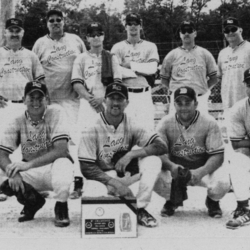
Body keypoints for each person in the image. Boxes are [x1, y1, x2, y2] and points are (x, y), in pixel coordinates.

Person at [78, 83, 167, 227]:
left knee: (153, 161)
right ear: (105, 100)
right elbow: (86, 167)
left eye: (120, 99)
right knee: (93, 198)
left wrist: (132, 154)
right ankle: (123, 204)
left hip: (125, 174)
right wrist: (115, 184)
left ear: (127, 103)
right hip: (102, 178)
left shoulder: (132, 123)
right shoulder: (92, 126)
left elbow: (162, 146)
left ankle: (139, 208)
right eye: (111, 98)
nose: (115, 103)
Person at [0, 81, 74, 227]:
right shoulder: (17, 120)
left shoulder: (56, 112)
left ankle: (61, 206)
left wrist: (28, 164)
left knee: (64, 164)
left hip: (52, 168)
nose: (35, 102)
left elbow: (61, 149)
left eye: (40, 98)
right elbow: (1, 154)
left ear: (47, 99)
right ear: (23, 100)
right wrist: (13, 174)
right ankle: (32, 201)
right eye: (31, 98)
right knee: (4, 173)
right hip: (31, 172)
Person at [32, 9, 86, 198]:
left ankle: (78, 181)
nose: (55, 23)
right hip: (49, 101)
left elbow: (86, 64)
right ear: (47, 23)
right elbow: (33, 70)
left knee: (73, 141)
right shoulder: (40, 43)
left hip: (71, 99)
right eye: (51, 20)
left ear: (64, 22)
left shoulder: (75, 40)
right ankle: (45, 182)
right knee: (47, 143)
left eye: (59, 20)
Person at [156, 86, 231, 218]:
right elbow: (158, 153)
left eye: (188, 102)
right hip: (176, 170)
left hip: (203, 169)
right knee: (154, 173)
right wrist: (171, 166)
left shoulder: (209, 122)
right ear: (174, 105)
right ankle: (171, 200)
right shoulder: (165, 123)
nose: (183, 107)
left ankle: (213, 201)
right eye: (179, 103)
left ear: (196, 104)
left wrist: (201, 171)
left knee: (223, 181)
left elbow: (218, 156)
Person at [0, 18, 45, 201]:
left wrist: (38, 102)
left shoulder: (30, 55)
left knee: (30, 144)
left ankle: (32, 184)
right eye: (11, 30)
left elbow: (40, 80)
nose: (14, 33)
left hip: (26, 105)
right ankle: (3, 185)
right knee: (2, 145)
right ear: (5, 33)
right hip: (5, 105)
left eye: (17, 30)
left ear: (22, 33)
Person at [111, 13, 159, 130]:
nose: (133, 26)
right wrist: (140, 71)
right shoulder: (117, 47)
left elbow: (152, 68)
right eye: (129, 24)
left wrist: (129, 65)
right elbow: (116, 71)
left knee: (146, 131)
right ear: (125, 26)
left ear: (140, 26)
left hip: (145, 95)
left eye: (136, 23)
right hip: (126, 95)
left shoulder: (150, 46)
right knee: (126, 131)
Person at [71, 22, 121, 129]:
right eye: (92, 35)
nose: (96, 37)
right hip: (87, 104)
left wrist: (102, 99)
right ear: (87, 38)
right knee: (85, 138)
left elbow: (117, 83)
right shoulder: (81, 58)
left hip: (107, 103)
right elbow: (76, 84)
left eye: (99, 34)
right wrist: (92, 101)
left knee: (108, 138)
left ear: (103, 36)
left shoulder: (111, 57)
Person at [160, 20, 217, 113]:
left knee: (201, 127)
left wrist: (203, 90)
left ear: (195, 33)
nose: (186, 33)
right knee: (176, 127)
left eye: (189, 30)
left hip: (199, 99)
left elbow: (214, 78)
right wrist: (174, 92)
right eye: (183, 31)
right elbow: (164, 80)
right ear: (180, 34)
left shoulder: (205, 54)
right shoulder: (171, 55)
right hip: (178, 100)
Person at [224, 68, 250, 229]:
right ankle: (243, 206)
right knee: (236, 158)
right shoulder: (239, 109)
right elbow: (237, 143)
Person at [217, 17, 250, 109]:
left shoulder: (248, 49)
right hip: (228, 106)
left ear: (240, 30)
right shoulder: (222, 53)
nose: (230, 33)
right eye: (227, 30)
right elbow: (219, 77)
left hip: (247, 105)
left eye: (233, 29)